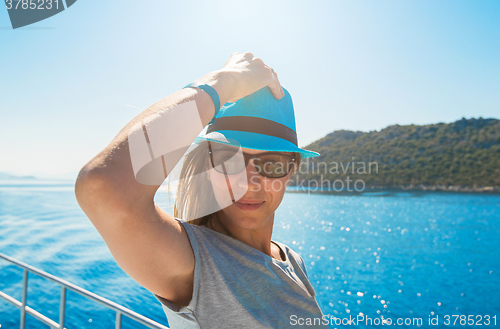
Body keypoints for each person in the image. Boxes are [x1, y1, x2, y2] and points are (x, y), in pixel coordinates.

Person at [75, 52, 328, 328]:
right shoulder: (196, 264)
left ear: (291, 170)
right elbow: (104, 189)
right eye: (228, 160)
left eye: (273, 164)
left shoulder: (290, 259)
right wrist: (224, 82)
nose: (249, 182)